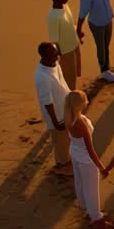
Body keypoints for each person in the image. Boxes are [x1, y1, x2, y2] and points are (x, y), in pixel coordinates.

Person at [64, 90, 114, 229]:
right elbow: (90, 149)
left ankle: (85, 206)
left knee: (80, 182)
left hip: (75, 153)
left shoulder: (68, 117)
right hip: (86, 160)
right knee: (92, 189)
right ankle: (96, 218)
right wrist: (101, 167)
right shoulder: (80, 123)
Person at [33, 42, 72, 175]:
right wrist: (55, 122)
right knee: (60, 142)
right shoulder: (42, 77)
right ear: (45, 56)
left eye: (56, 53)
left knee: (67, 139)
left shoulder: (54, 63)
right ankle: (62, 166)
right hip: (56, 115)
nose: (57, 56)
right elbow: (47, 102)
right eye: (54, 54)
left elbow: (62, 82)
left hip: (65, 107)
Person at [47, 0, 82, 90]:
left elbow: (70, 23)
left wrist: (77, 33)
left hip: (75, 45)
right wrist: (57, 57)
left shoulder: (65, 6)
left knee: (75, 74)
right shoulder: (53, 16)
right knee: (69, 79)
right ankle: (69, 101)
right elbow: (54, 39)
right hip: (66, 52)